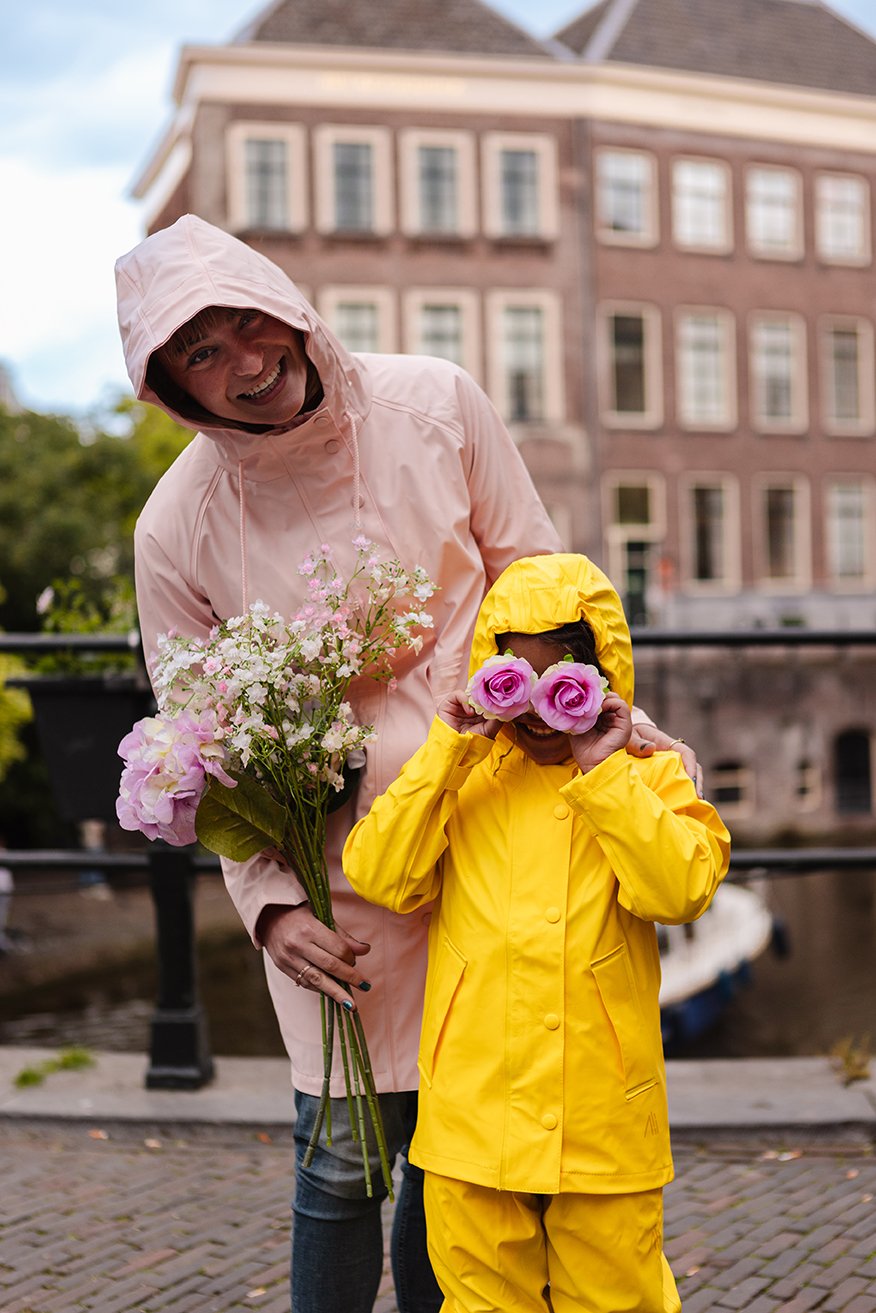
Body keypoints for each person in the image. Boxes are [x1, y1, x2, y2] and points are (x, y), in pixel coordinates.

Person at [115, 213, 701, 1313]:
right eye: (202, 350)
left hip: (488, 846)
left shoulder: (437, 403)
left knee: (456, 1161)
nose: (247, 360)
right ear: (171, 387)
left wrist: (604, 728)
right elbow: (197, 742)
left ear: (286, 303)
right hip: (336, 880)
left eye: (249, 320)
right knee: (341, 1158)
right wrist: (270, 907)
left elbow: (542, 584)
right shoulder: (174, 527)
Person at [344, 553, 730, 1313]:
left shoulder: (647, 775)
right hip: (476, 1114)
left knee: (616, 1302)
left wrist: (605, 774)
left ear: (601, 679)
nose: (538, 713)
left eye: (562, 684)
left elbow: (681, 890)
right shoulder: (460, 776)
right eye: (517, 681)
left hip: (601, 1119)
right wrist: (449, 747)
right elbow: (380, 873)